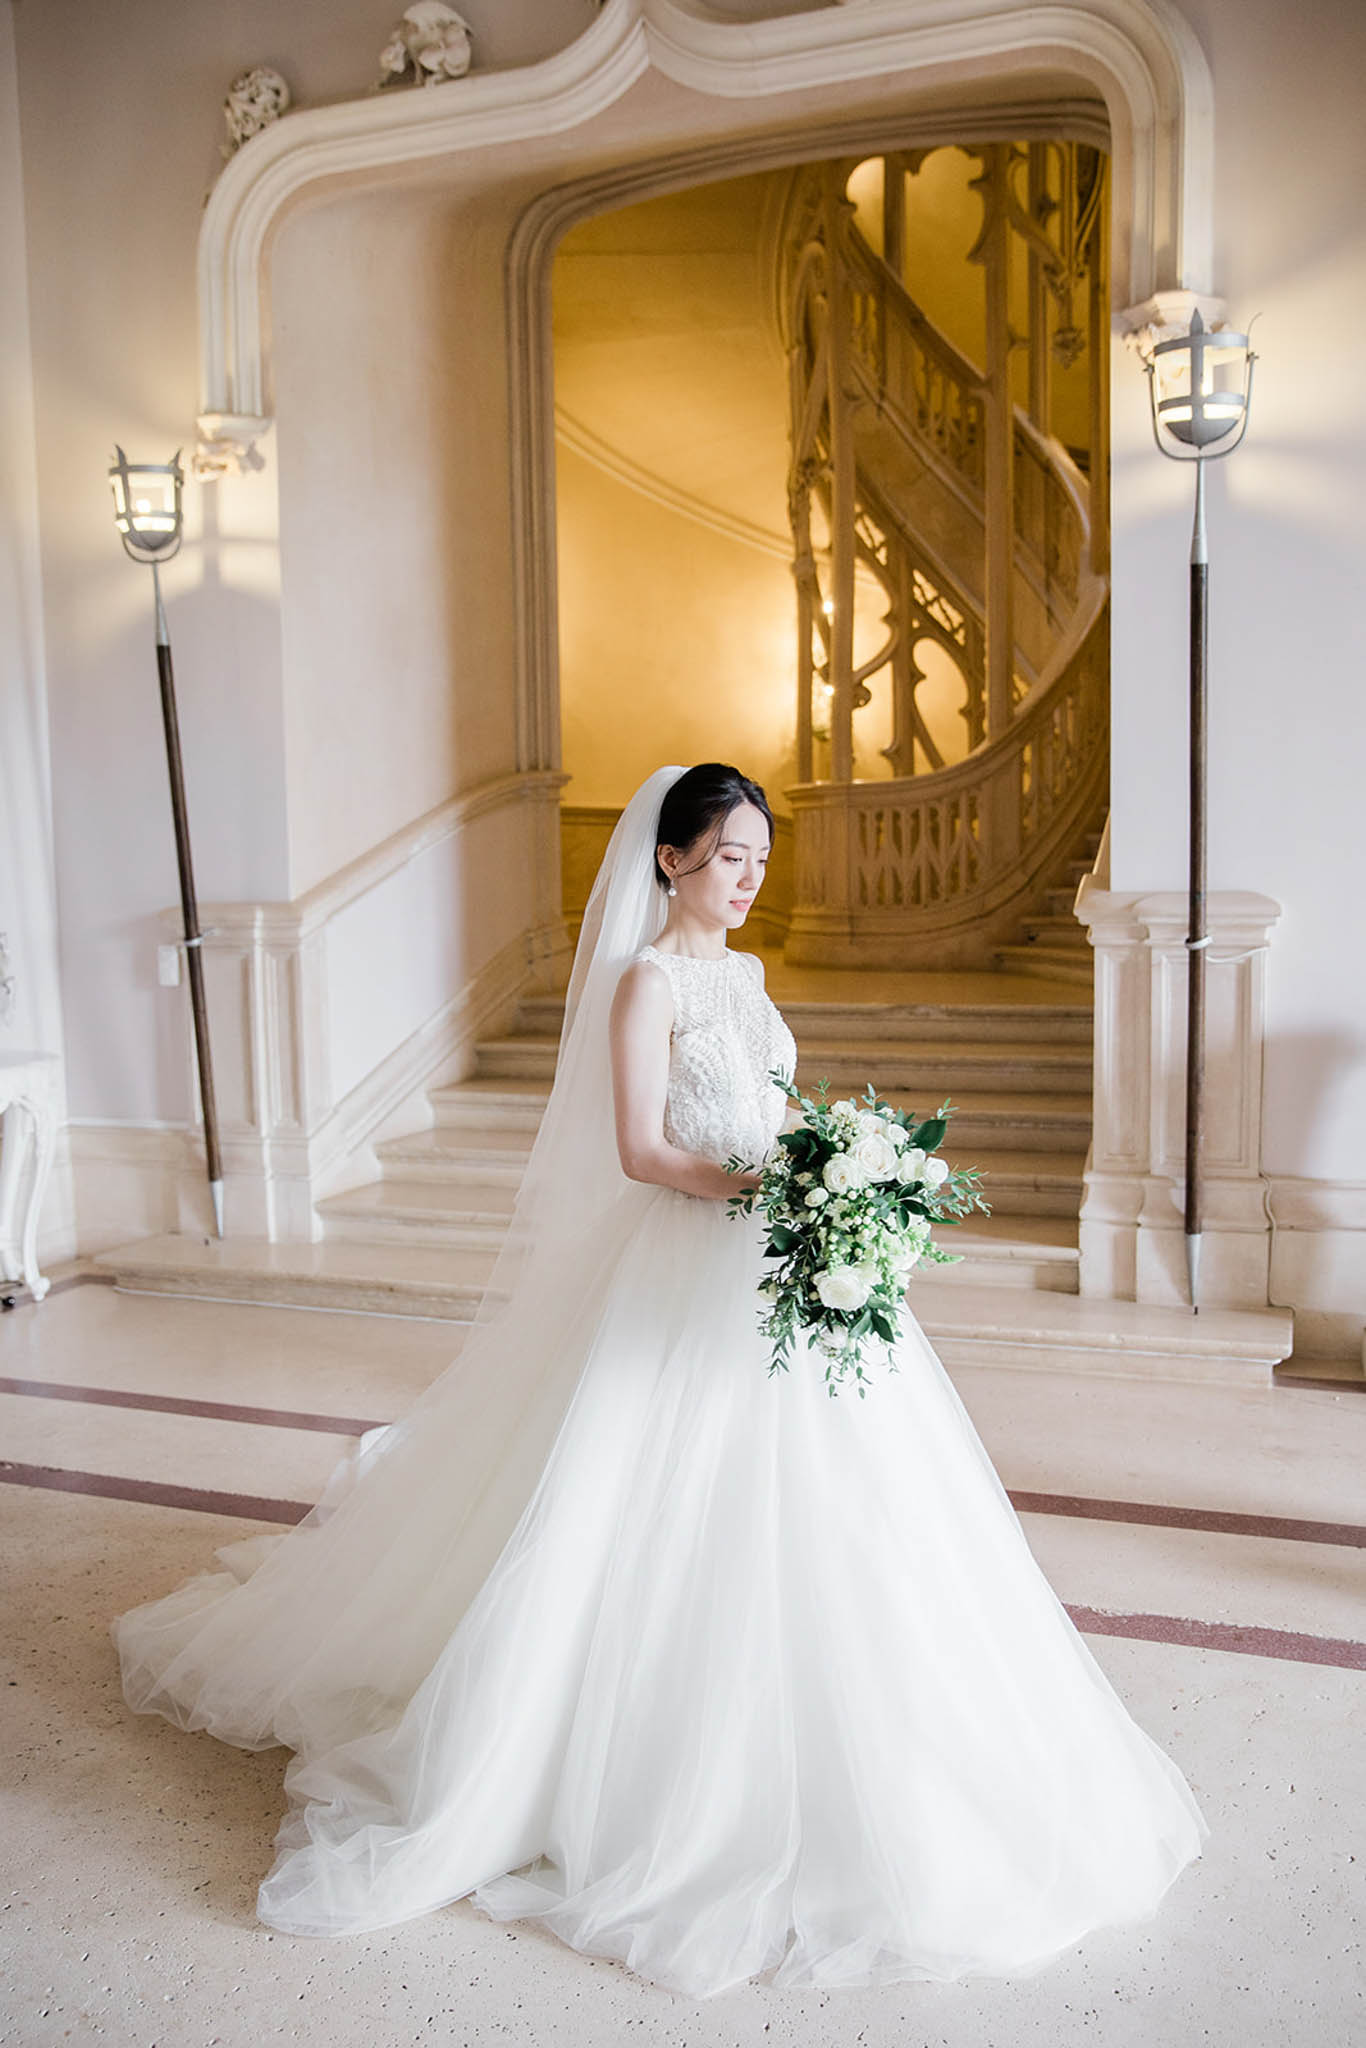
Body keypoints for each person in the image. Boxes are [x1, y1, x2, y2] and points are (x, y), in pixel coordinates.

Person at [112, 761, 1209, 1998]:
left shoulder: (744, 976)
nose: (746, 880)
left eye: (758, 859)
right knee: (653, 1499)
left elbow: (777, 1104)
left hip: (777, 1257)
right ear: (670, 858)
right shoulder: (647, 983)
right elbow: (642, 1149)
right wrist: (776, 1191)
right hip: (689, 1259)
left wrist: (839, 1163)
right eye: (728, 855)